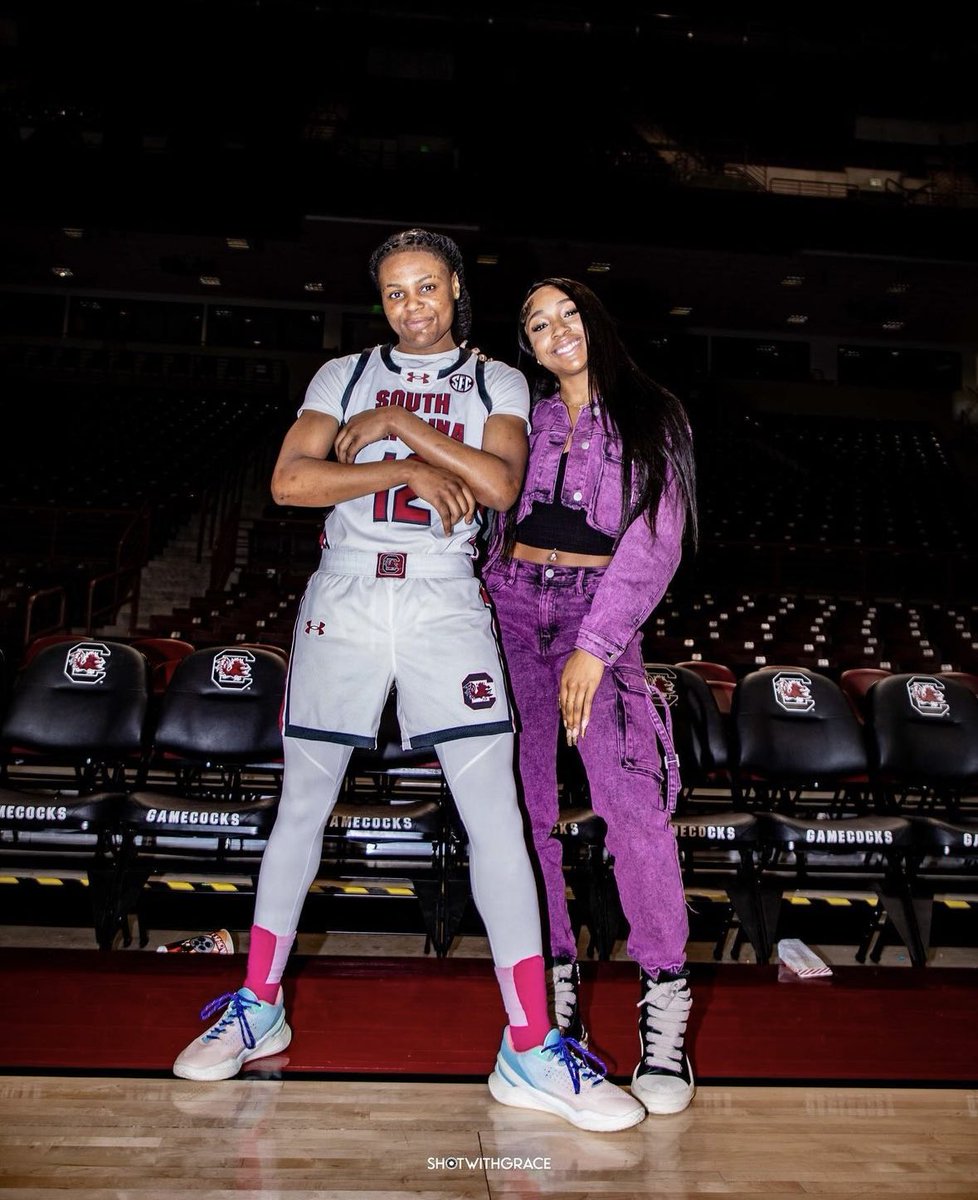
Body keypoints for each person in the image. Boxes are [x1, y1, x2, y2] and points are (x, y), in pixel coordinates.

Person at [171, 230, 646, 1133]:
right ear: (380, 301)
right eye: (395, 293)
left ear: (456, 289)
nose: (412, 306)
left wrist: (400, 426)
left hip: (442, 603)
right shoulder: (339, 374)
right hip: (344, 599)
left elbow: (500, 486)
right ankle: (258, 1003)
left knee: (497, 820)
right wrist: (405, 470)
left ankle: (532, 1045)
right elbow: (288, 480)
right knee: (301, 808)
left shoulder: (497, 382)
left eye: (427, 287)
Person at [481, 276, 699, 1116]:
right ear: (530, 346)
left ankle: (664, 1015)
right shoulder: (525, 419)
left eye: (568, 313)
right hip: (509, 605)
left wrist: (597, 649)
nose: (555, 330)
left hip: (594, 611)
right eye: (538, 323)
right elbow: (489, 509)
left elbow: (656, 542)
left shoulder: (654, 414)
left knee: (631, 811)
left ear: (596, 322)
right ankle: (551, 1008)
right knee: (524, 814)